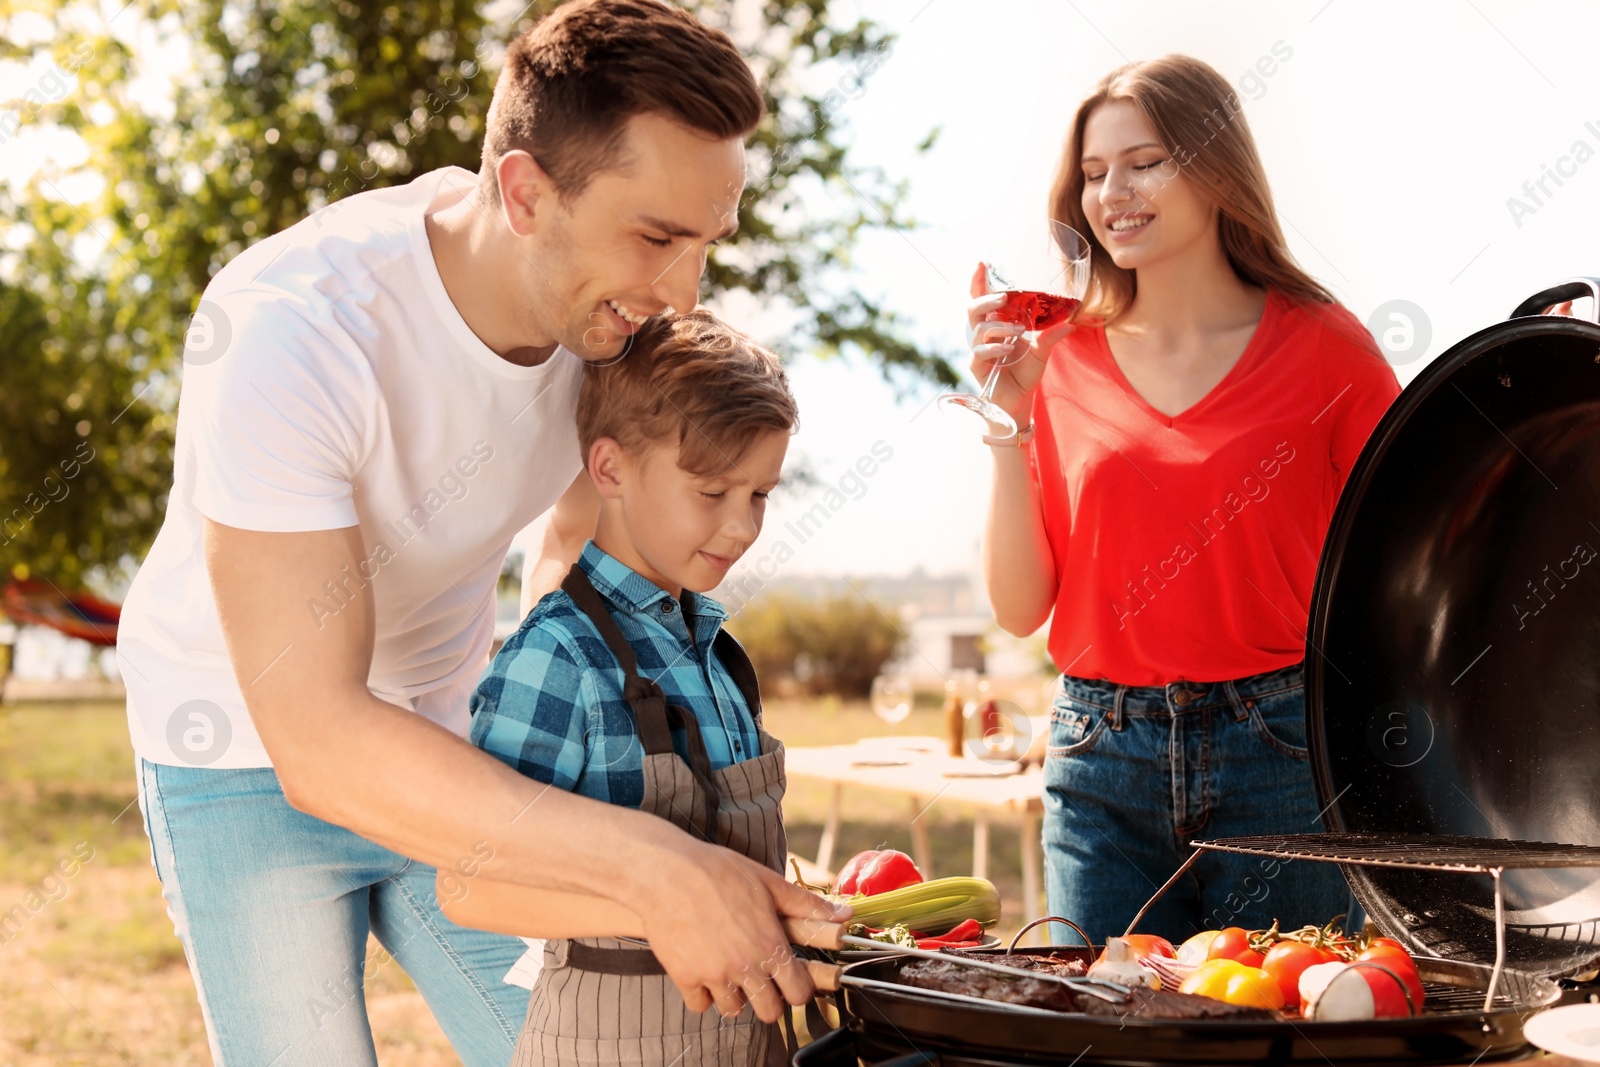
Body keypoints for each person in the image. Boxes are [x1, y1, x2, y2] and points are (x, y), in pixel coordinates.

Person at [115, 3, 845, 1065]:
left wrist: (568, 701)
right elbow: (314, 733)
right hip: (236, 743)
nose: (681, 292)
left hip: (459, 731)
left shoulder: (608, 320)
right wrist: (657, 866)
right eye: (655, 236)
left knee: (583, 1043)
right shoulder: (290, 331)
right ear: (522, 191)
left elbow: (578, 541)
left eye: (703, 242)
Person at [966, 55, 1402, 944]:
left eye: (1145, 162)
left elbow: (1401, 566)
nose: (1112, 192)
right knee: (1102, 1029)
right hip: (1100, 760)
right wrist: (1011, 423)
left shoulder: (1329, 350)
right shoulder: (1059, 359)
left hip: (1282, 753)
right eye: (1092, 173)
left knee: (1280, 1025)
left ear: (1216, 168)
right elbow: (1018, 610)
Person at [446, 308, 799, 1067]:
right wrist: (660, 905)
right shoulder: (557, 658)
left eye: (760, 496)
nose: (742, 528)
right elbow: (474, 888)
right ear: (609, 469)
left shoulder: (717, 653)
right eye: (712, 493)